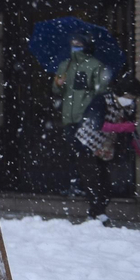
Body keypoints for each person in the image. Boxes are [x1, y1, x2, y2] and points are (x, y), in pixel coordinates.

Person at [53, 34, 113, 210]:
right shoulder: (65, 65)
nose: (75, 46)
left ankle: (91, 189)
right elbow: (57, 90)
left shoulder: (95, 66)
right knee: (72, 152)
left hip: (85, 117)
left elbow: (102, 91)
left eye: (78, 44)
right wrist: (58, 83)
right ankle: (74, 183)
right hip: (68, 116)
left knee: (86, 154)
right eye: (73, 43)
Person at [73, 74, 140, 219]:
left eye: (134, 98)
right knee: (93, 183)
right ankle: (97, 215)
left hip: (104, 149)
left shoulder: (127, 107)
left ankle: (97, 215)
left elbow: (131, 130)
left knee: (105, 186)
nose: (132, 101)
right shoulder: (101, 100)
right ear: (121, 92)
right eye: (130, 96)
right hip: (87, 145)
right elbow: (96, 124)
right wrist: (122, 127)